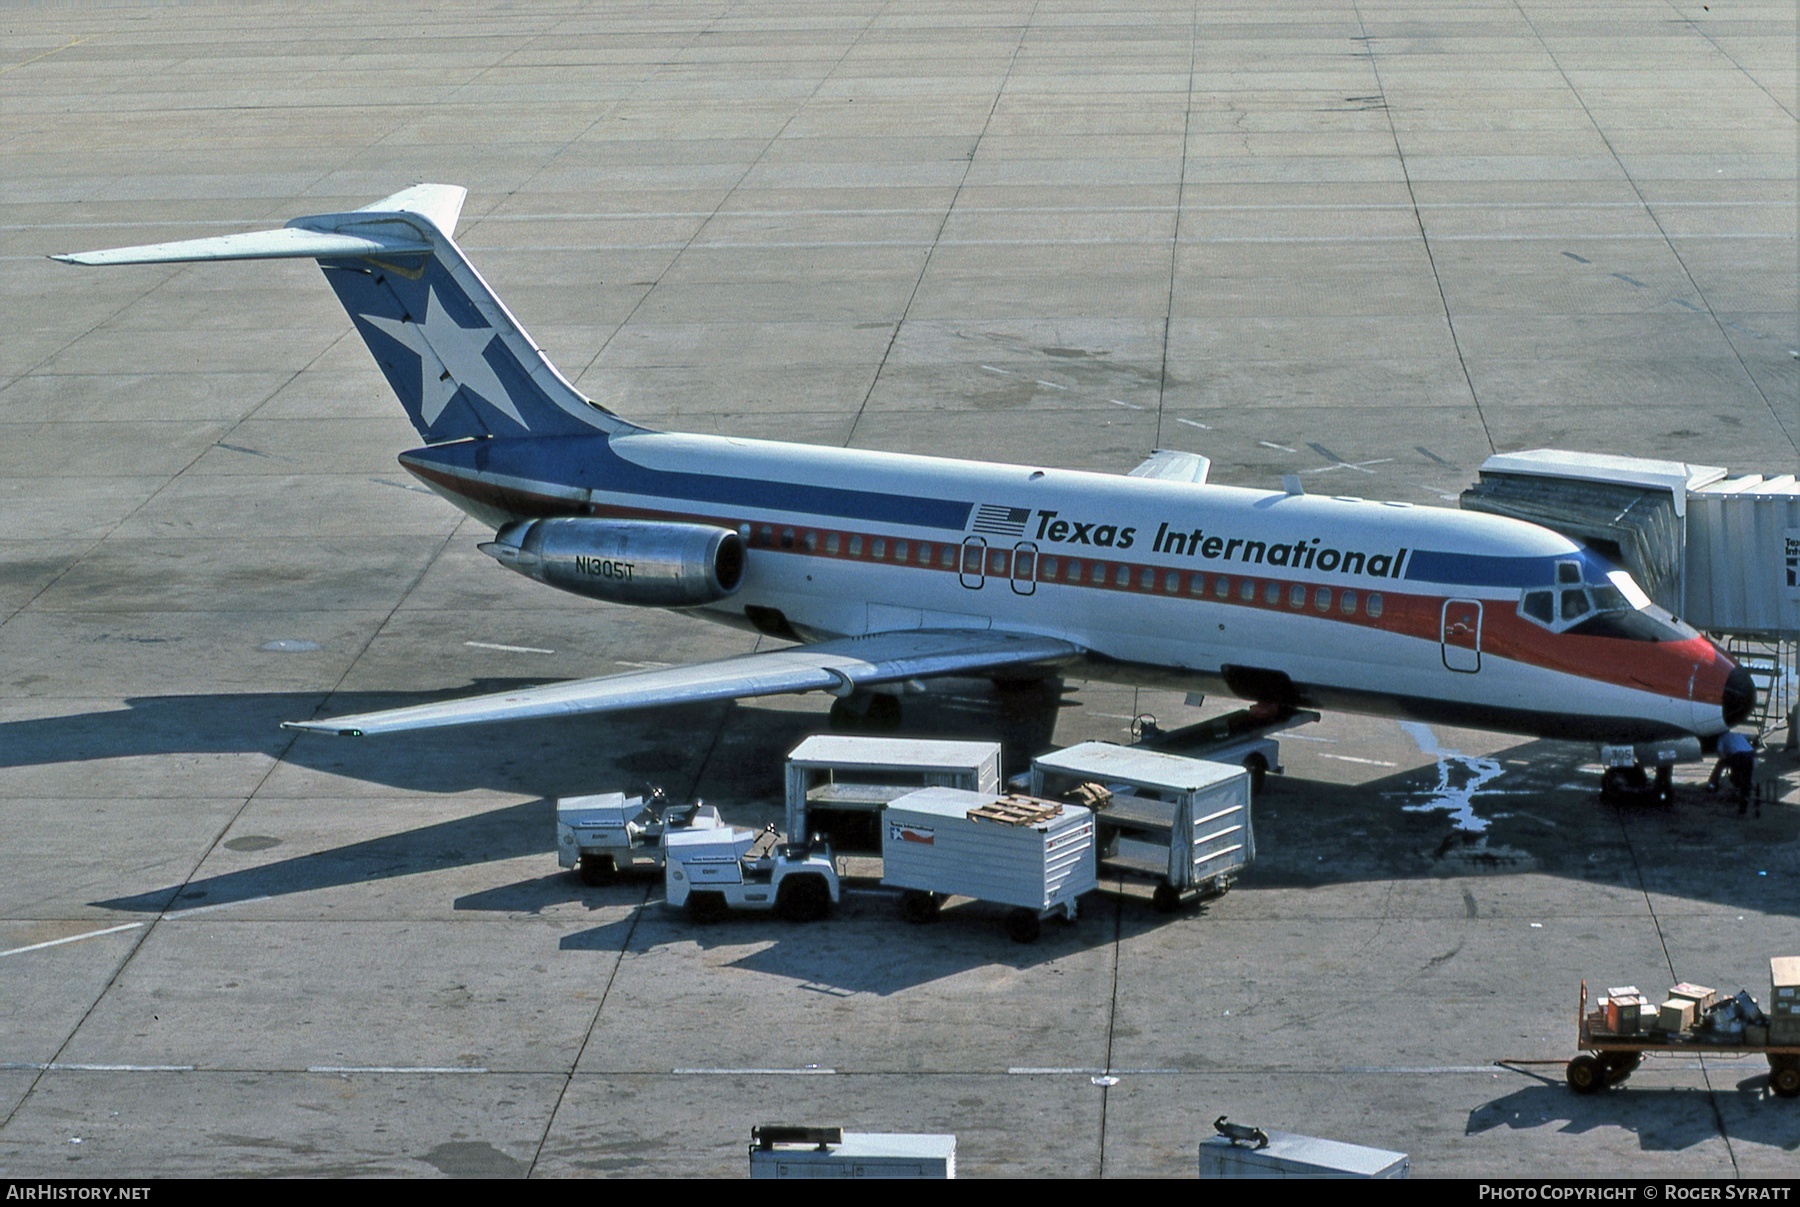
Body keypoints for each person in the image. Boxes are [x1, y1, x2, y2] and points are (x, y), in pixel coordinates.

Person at [1708, 730, 1756, 798]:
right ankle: (1746, 791)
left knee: (1720, 764)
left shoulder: (1721, 738)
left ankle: (1713, 784)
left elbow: (1721, 754)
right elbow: (1753, 737)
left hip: (1737, 755)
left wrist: (1726, 759)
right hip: (1750, 753)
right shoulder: (1737, 733)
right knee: (1746, 774)